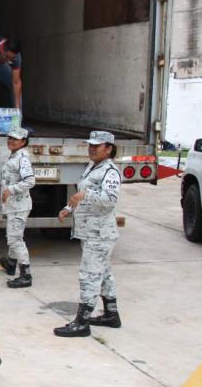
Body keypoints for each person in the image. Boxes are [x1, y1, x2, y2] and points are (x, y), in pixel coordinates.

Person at [54, 131, 123, 338]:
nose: (92, 148)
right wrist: (69, 208)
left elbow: (109, 199)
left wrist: (85, 195)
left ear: (108, 148)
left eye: (97, 145)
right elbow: (81, 194)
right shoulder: (93, 167)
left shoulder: (109, 171)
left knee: (89, 276)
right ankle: (111, 314)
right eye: (90, 145)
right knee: (104, 274)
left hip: (100, 233)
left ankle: (82, 322)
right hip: (90, 231)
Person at [0, 126, 36, 288]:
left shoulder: (22, 159)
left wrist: (10, 190)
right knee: (13, 236)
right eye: (9, 138)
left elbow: (30, 181)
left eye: (15, 139)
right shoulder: (14, 156)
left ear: (23, 142)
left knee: (15, 239)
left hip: (19, 206)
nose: (11, 141)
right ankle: (11, 263)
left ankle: (26, 275)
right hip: (13, 205)